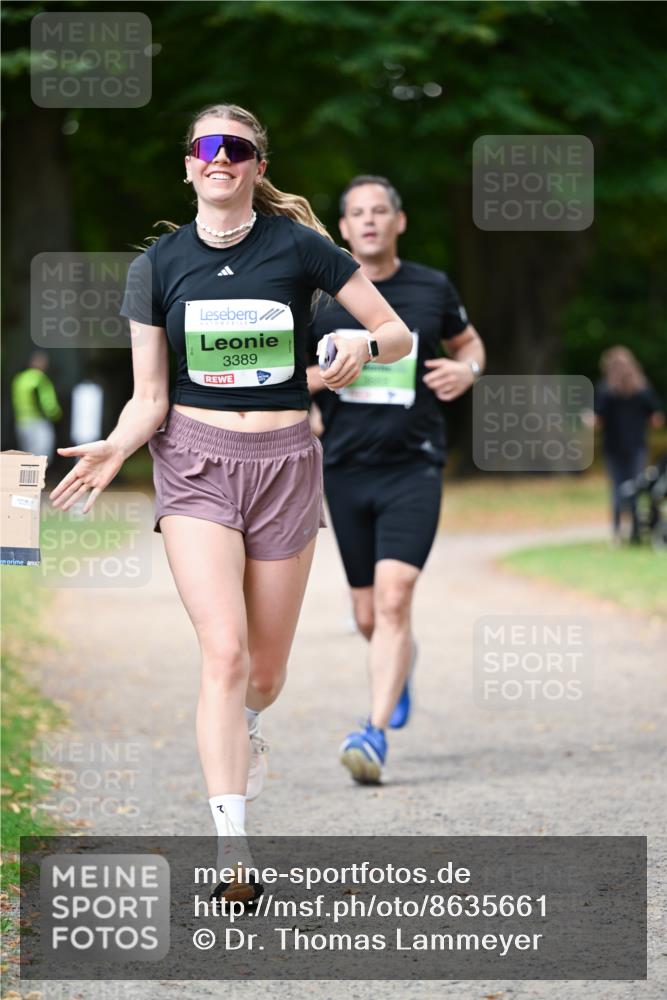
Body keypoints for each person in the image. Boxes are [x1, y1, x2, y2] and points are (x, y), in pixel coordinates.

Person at [48, 107, 412, 900]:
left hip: (285, 462)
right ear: (187, 166)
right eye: (206, 148)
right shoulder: (157, 267)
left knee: (265, 674)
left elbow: (397, 335)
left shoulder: (300, 248)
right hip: (195, 465)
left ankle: (244, 726)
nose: (220, 159)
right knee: (224, 652)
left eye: (236, 148)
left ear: (255, 164)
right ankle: (232, 845)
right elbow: (150, 396)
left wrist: (358, 342)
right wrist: (116, 444)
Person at [307, 176, 485, 785]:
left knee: (393, 599)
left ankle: (372, 733)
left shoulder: (431, 287)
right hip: (346, 469)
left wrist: (469, 372)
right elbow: (290, 376)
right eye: (357, 213)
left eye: (380, 210)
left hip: (414, 465)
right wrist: (318, 383)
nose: (370, 221)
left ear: (399, 221)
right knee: (365, 615)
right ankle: (400, 665)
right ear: (345, 227)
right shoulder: (321, 297)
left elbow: (470, 344)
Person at [594, 346, 664, 543]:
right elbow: (656, 419)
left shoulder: (605, 390)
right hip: (637, 446)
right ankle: (635, 532)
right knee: (634, 487)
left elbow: (598, 421)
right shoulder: (643, 390)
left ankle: (617, 532)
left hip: (613, 446)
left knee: (617, 488)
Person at [11, 350, 63, 462]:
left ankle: (27, 479)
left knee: (27, 455)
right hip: (38, 421)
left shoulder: (20, 378)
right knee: (42, 456)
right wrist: (57, 416)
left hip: (21, 422)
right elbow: (48, 403)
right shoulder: (39, 378)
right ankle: (36, 478)